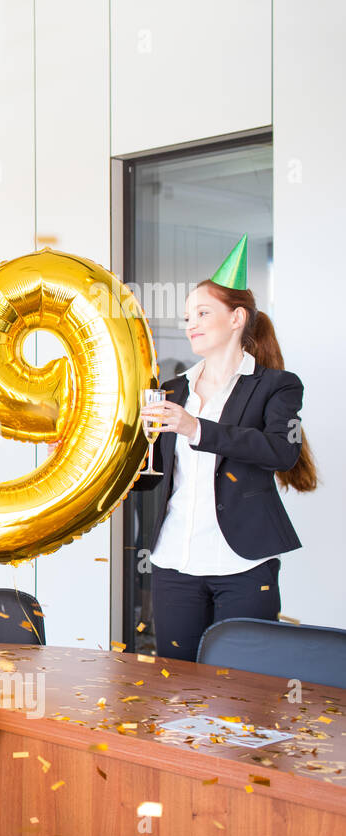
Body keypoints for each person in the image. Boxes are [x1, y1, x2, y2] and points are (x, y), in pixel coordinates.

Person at [137, 235, 316, 662]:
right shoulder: (171, 390)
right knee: (174, 684)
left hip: (244, 565)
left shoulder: (277, 385)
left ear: (237, 318)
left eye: (202, 313)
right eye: (186, 316)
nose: (190, 324)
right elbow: (152, 475)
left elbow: (280, 452)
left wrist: (197, 428)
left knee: (246, 686)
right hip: (174, 561)